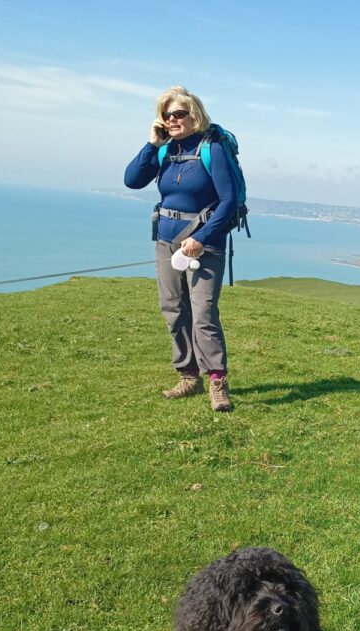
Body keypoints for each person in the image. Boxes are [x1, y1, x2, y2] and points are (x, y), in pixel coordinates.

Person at [124, 86, 239, 412]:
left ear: (195, 116)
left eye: (179, 114)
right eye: (167, 114)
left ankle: (217, 381)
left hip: (205, 244)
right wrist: (152, 144)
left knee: (203, 314)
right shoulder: (165, 150)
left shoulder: (212, 149)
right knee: (173, 309)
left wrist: (202, 238)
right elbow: (132, 180)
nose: (172, 119)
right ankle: (189, 376)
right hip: (166, 241)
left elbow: (230, 201)